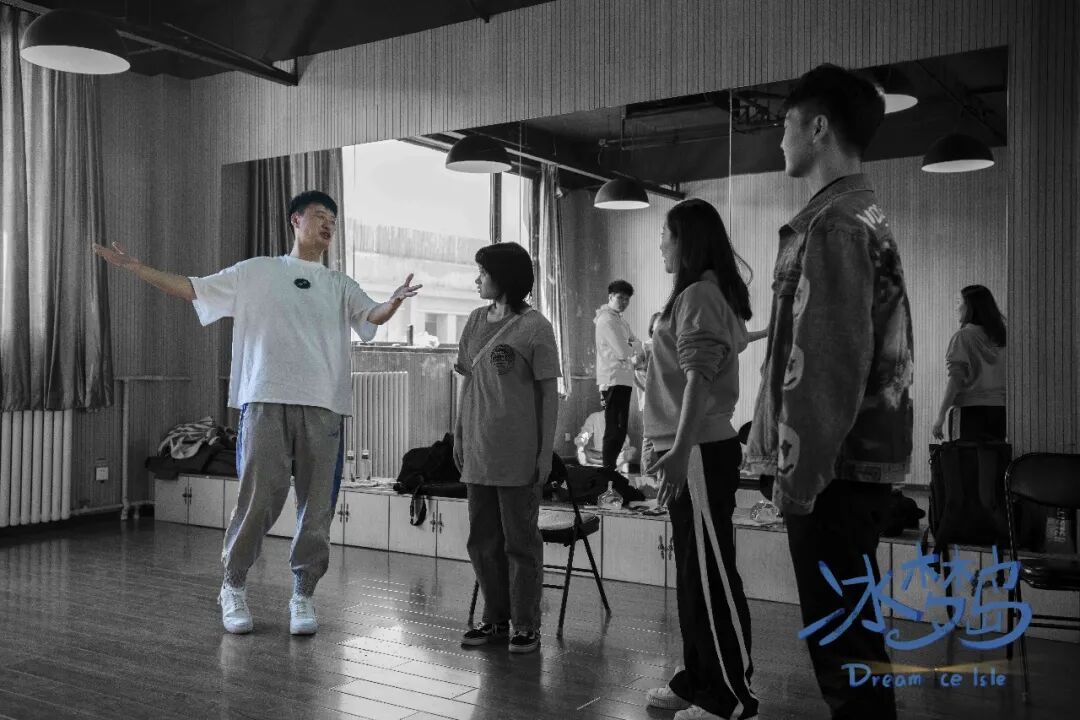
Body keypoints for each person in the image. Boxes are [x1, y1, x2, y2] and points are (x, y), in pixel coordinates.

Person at [93, 191, 421, 636]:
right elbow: (192, 287)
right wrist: (136, 268)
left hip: (324, 407)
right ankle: (233, 585)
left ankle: (303, 594)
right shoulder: (256, 271)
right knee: (258, 499)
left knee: (317, 507)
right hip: (264, 399)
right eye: (319, 215)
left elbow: (373, 315)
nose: (328, 224)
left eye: (333, 218)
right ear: (295, 220)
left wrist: (394, 301)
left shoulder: (339, 284)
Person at [744, 64, 913, 720]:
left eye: (785, 126)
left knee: (842, 648)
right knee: (853, 636)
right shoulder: (857, 213)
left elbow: (826, 367)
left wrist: (797, 478)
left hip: (834, 469)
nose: (779, 140)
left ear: (817, 128)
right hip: (850, 464)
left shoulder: (835, 224)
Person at [642, 198, 758, 720]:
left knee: (710, 573)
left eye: (665, 235)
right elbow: (721, 353)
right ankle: (697, 679)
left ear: (686, 240)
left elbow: (698, 378)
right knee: (693, 573)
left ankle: (729, 696)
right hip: (691, 450)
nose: (660, 246)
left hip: (699, 451)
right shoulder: (705, 294)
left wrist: (681, 450)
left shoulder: (699, 294)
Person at [453, 242, 561, 654]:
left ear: (504, 277)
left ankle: (526, 625)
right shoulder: (474, 320)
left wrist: (545, 453)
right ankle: (495, 620)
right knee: (482, 541)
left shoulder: (536, 327)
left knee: (520, 542)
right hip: (478, 449)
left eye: (482, 272)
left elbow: (549, 395)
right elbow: (467, 381)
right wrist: (459, 433)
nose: (476, 279)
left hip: (518, 453)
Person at [932, 285, 1006, 441]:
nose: (956, 307)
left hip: (969, 412)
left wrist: (941, 415)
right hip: (1000, 411)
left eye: (959, 302)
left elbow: (955, 379)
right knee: (995, 455)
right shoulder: (1003, 336)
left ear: (970, 307)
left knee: (965, 455)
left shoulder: (963, 336)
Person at [594, 279, 643, 470]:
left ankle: (611, 469)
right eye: (620, 298)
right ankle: (608, 471)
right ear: (610, 297)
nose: (623, 302)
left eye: (627, 299)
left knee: (621, 429)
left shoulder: (620, 320)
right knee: (614, 429)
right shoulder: (606, 319)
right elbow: (623, 351)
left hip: (624, 379)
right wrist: (633, 349)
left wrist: (633, 348)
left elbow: (636, 342)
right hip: (612, 379)